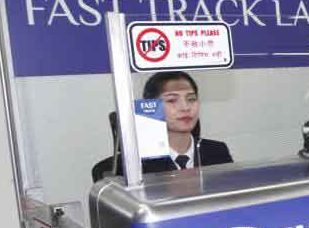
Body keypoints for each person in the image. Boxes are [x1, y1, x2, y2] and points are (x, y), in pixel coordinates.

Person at [92, 70, 232, 181]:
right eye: (172, 100)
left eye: (191, 99)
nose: (185, 107)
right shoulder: (130, 167)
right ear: (152, 107)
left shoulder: (217, 152)